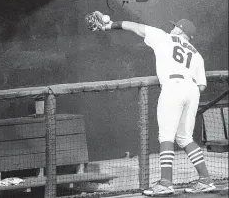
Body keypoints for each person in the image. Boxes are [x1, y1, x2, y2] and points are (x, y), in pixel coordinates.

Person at [92, 14, 216, 196]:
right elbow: (202, 85)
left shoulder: (164, 37)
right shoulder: (197, 54)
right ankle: (205, 180)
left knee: (166, 135)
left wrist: (110, 25)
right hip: (192, 90)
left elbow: (135, 27)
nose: (172, 28)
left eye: (175, 26)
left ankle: (166, 183)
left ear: (180, 30)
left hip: (173, 87)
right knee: (184, 138)